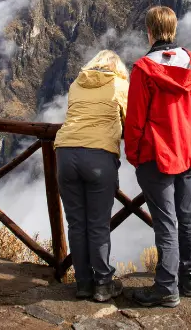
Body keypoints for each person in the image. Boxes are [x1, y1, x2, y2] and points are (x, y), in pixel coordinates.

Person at [124, 6, 191, 308]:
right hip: (188, 150)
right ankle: (189, 281)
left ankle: (166, 289)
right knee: (187, 217)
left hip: (156, 153)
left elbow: (134, 119)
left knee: (166, 222)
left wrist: (134, 154)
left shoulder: (143, 69)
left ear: (149, 31)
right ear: (172, 29)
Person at [54, 50, 129, 302]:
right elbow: (129, 122)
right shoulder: (120, 85)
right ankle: (103, 283)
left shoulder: (76, 84)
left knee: (76, 223)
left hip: (65, 154)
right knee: (98, 224)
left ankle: (83, 283)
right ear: (117, 68)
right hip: (98, 157)